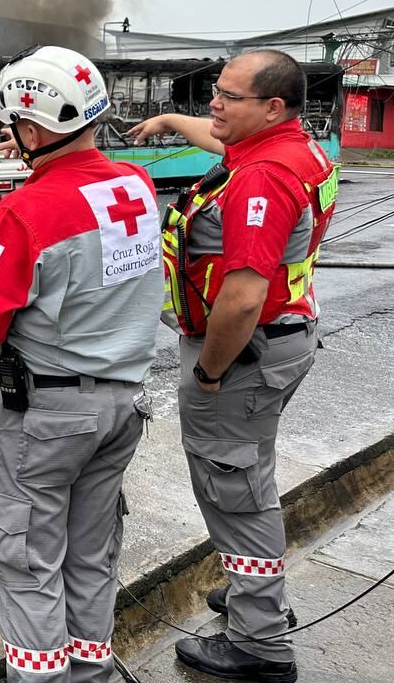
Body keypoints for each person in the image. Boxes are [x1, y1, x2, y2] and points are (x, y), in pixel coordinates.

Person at [129, 51, 335, 683]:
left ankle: (260, 644)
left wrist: (210, 373)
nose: (212, 105)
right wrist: (167, 120)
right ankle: (254, 597)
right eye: (214, 92)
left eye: (227, 96)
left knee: (234, 493)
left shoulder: (264, 178)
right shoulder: (295, 148)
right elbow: (215, 134)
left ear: (271, 106)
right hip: (285, 334)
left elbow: (241, 298)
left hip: (245, 353)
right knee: (247, 477)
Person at [0, 47, 161, 682]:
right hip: (121, 406)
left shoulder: (25, 210)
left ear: (36, 128)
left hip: (48, 416)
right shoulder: (137, 185)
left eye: (15, 126)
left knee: (27, 561)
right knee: (90, 556)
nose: (13, 139)